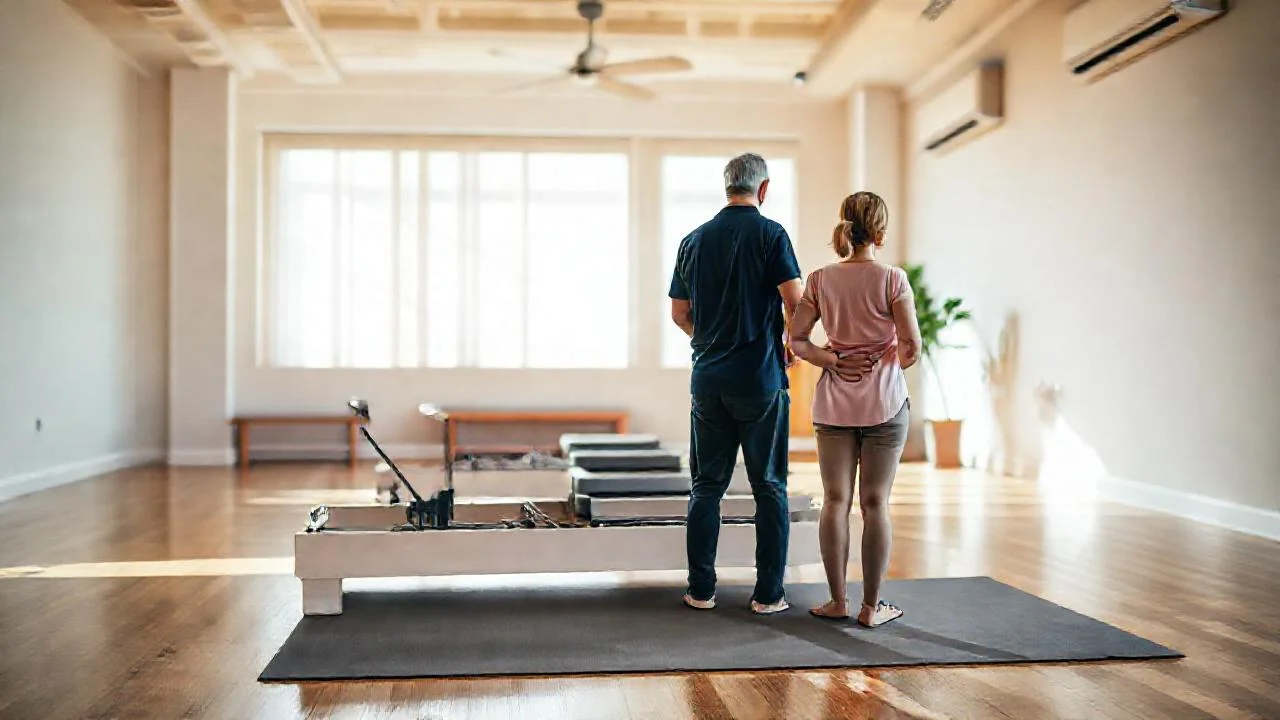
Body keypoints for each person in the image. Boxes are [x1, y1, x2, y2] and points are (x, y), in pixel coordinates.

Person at [667, 153, 877, 615]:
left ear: (727, 188)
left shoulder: (692, 241)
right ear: (763, 190)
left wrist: (708, 340)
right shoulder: (771, 234)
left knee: (706, 486)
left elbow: (680, 313)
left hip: (708, 382)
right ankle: (768, 595)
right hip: (759, 380)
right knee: (769, 487)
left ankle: (701, 591)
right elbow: (796, 301)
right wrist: (789, 343)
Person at [787, 191, 922, 628]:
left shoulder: (821, 279)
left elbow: (797, 340)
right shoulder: (893, 280)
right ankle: (871, 608)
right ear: (880, 233)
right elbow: (911, 346)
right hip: (884, 404)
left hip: (834, 406)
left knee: (835, 501)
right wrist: (886, 362)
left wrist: (833, 359)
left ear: (844, 228)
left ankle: (837, 600)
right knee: (876, 503)